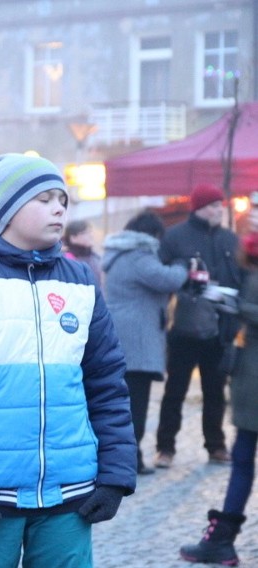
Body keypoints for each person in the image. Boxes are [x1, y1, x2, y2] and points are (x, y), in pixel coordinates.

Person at [0, 153, 137, 567]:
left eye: (63, 201)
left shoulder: (81, 281)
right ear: (9, 209)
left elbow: (107, 384)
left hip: (69, 491)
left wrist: (116, 475)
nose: (58, 209)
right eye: (44, 199)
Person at [179, 197, 258, 565]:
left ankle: (222, 539)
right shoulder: (248, 254)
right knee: (242, 456)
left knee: (242, 457)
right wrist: (223, 297)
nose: (252, 213)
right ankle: (222, 539)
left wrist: (238, 305)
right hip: (250, 378)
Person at [155, 183, 243, 468]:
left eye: (221, 205)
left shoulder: (231, 239)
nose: (219, 210)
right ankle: (165, 447)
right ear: (200, 208)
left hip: (219, 328)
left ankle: (215, 445)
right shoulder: (175, 237)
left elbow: (241, 277)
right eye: (214, 205)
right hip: (183, 326)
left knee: (215, 391)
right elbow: (162, 278)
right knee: (175, 391)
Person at [102, 211, 188, 475]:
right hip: (136, 340)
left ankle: (127, 456)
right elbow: (168, 279)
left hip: (121, 334)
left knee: (124, 401)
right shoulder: (138, 255)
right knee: (135, 402)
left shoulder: (118, 252)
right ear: (152, 235)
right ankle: (131, 459)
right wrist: (183, 265)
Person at [63, 219, 103, 287]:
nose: (91, 236)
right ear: (73, 238)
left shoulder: (97, 258)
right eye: (85, 233)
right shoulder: (66, 259)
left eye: (90, 232)